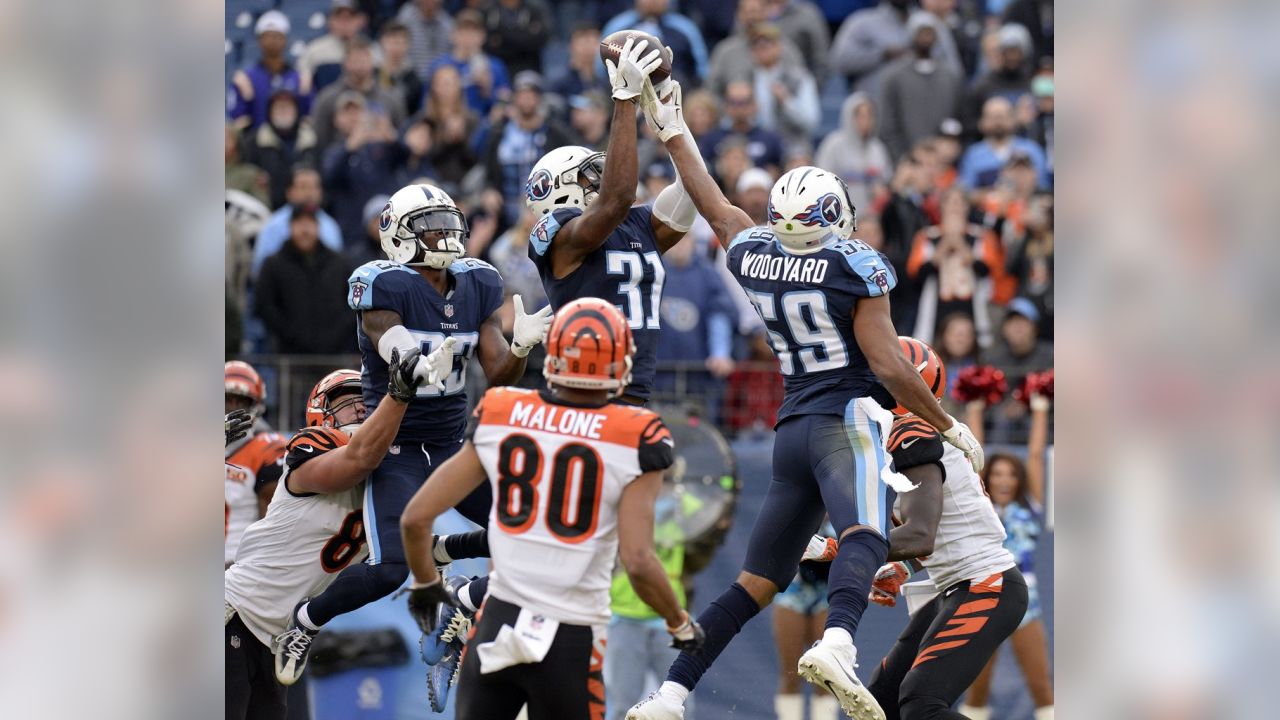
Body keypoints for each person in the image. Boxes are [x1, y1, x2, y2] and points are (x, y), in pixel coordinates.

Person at [626, 76, 983, 720]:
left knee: (752, 585)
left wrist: (674, 131)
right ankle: (840, 641)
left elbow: (713, 205)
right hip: (844, 422)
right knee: (866, 533)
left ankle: (671, 693)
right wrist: (946, 421)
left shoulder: (758, 254)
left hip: (789, 430)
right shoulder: (856, 265)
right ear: (834, 215)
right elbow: (889, 364)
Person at [271, 183, 554, 688]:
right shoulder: (382, 285)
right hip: (396, 448)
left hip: (453, 447)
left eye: (449, 224)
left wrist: (522, 348)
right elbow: (389, 339)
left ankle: (457, 592)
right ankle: (306, 621)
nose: (445, 234)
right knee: (389, 571)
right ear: (399, 235)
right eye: (431, 225)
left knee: (530, 536)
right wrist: (414, 363)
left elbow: (499, 372)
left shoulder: (476, 283)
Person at [398, 298, 705, 720]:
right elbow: (637, 561)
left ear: (555, 355)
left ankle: (459, 599)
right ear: (620, 363)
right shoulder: (638, 434)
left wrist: (426, 586)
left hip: (497, 623)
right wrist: (679, 622)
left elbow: (415, 518)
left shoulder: (504, 409)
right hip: (572, 638)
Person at [226, 352, 423, 718]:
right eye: (346, 402)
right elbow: (356, 461)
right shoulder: (309, 448)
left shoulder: (381, 489)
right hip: (235, 613)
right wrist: (398, 394)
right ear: (321, 411)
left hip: (275, 640)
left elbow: (418, 548)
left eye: (366, 401)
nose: (361, 409)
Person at [856, 339, 1028, 720]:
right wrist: (902, 568)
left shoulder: (913, 430)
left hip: (985, 582)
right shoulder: (923, 431)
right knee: (880, 704)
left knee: (921, 705)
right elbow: (950, 527)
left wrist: (846, 548)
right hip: (956, 584)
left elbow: (921, 534)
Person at [524, 38, 692, 408]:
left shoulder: (635, 225)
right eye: (589, 176)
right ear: (559, 190)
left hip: (634, 391)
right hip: (583, 390)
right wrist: (624, 99)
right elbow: (616, 199)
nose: (600, 180)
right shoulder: (562, 236)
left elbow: (692, 192)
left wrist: (674, 127)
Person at [960, 391, 1054, 720]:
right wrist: (974, 408)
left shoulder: (1031, 506)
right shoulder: (979, 505)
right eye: (997, 473)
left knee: (1042, 686)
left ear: (1018, 480)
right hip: (985, 599)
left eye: (1010, 474)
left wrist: (1040, 410)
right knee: (977, 688)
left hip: (1026, 603)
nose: (1003, 479)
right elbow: (974, 458)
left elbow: (1034, 456)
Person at [254, 207, 358, 355]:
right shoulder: (273, 264)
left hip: (334, 355)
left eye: (309, 223)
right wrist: (290, 335)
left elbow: (354, 303)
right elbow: (265, 305)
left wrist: (336, 336)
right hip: (288, 356)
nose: (305, 230)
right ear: (290, 227)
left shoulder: (340, 263)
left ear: (318, 226)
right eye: (299, 223)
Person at [905, 187, 1000, 347]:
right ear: (942, 207)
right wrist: (945, 244)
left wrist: (960, 243)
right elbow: (916, 274)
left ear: (967, 207)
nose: (955, 207)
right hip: (937, 306)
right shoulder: (927, 236)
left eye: (960, 202)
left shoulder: (982, 235)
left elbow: (988, 270)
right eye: (950, 202)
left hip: (972, 304)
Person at [484, 70, 577, 224]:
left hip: (546, 212)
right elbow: (485, 169)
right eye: (522, 94)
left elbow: (575, 159)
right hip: (505, 210)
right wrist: (488, 190)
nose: (527, 99)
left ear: (540, 99)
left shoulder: (554, 132)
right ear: (514, 98)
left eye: (532, 94)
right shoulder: (500, 132)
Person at [224, 361, 287, 567]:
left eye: (239, 401)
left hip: (234, 566)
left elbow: (271, 533)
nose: (231, 409)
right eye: (225, 400)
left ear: (256, 406)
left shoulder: (265, 451)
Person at [878, 13, 964, 160]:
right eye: (921, 32)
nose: (926, 37)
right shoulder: (894, 76)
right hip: (906, 162)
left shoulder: (951, 76)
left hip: (945, 164)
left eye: (929, 32)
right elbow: (888, 125)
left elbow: (958, 118)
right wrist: (904, 159)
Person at [311, 39, 407, 153]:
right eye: (355, 60)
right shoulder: (328, 97)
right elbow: (319, 138)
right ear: (345, 63)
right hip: (340, 165)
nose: (360, 65)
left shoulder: (391, 98)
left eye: (364, 59)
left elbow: (402, 136)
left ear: (373, 61)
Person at [227, 11, 312, 130]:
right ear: (258, 40)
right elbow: (237, 122)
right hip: (255, 144)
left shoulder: (301, 79)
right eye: (267, 36)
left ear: (286, 40)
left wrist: (304, 94)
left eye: (277, 36)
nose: (272, 41)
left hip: (293, 143)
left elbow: (309, 117)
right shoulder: (246, 79)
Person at [252, 168, 344, 276]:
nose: (309, 193)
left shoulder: (330, 225)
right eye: (303, 187)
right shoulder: (274, 225)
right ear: (289, 192)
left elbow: (338, 269)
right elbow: (260, 268)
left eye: (314, 187)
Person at [744, 24, 820, 149]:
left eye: (767, 44)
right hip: (755, 147)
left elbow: (810, 121)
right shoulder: (746, 80)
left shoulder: (799, 78)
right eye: (756, 46)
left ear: (779, 47)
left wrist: (786, 101)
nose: (762, 49)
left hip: (791, 146)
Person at [424, 9, 511, 118]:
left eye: (473, 32)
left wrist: (488, 90)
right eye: (463, 31)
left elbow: (505, 105)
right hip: (445, 126)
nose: (468, 37)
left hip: (483, 127)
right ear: (453, 35)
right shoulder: (439, 66)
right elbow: (425, 106)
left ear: (483, 36)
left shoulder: (495, 67)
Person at [813, 92, 892, 212]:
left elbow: (886, 181)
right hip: (840, 216)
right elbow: (821, 181)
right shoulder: (833, 145)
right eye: (860, 116)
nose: (865, 122)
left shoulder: (877, 148)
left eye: (869, 116)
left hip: (871, 221)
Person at [602, 0, 709, 87]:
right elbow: (601, 65)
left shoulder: (685, 28)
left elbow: (701, 68)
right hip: (625, 88)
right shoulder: (618, 27)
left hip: (675, 90)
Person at [242, 91, 321, 209]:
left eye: (288, 107)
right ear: (269, 112)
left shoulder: (312, 140)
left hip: (307, 210)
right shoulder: (254, 142)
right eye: (279, 107)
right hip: (266, 208)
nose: (283, 111)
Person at [958, 98, 1049, 193]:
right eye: (992, 117)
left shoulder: (1032, 150)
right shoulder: (973, 154)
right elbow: (966, 192)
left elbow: (1043, 188)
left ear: (1013, 119)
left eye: (1002, 117)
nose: (998, 123)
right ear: (982, 122)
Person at [700, 81, 785, 176]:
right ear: (726, 106)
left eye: (744, 102)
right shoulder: (711, 139)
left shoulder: (770, 139)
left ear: (755, 105)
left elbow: (780, 170)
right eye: (733, 102)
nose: (739, 108)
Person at [298, 0, 368, 93]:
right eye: (339, 18)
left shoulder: (371, 49)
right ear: (330, 20)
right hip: (326, 104)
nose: (344, 23)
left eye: (349, 17)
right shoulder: (315, 50)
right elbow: (304, 89)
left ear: (359, 21)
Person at [479, 0, 553, 78]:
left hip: (528, 65)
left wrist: (501, 36)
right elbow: (484, 43)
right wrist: (523, 34)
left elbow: (541, 39)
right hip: (495, 65)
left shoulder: (534, 10)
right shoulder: (487, 10)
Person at [376, 21, 426, 119]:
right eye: (392, 42)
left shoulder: (414, 80)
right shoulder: (372, 74)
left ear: (408, 45)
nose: (396, 47)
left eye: (400, 42)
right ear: (382, 42)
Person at [549, 23, 609, 101]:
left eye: (593, 42)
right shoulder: (559, 84)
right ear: (570, 45)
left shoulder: (606, 83)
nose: (588, 47)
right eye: (583, 42)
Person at [396, 0, 454, 78]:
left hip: (437, 82)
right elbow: (398, 48)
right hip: (411, 79)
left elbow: (450, 57)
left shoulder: (447, 23)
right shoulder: (406, 18)